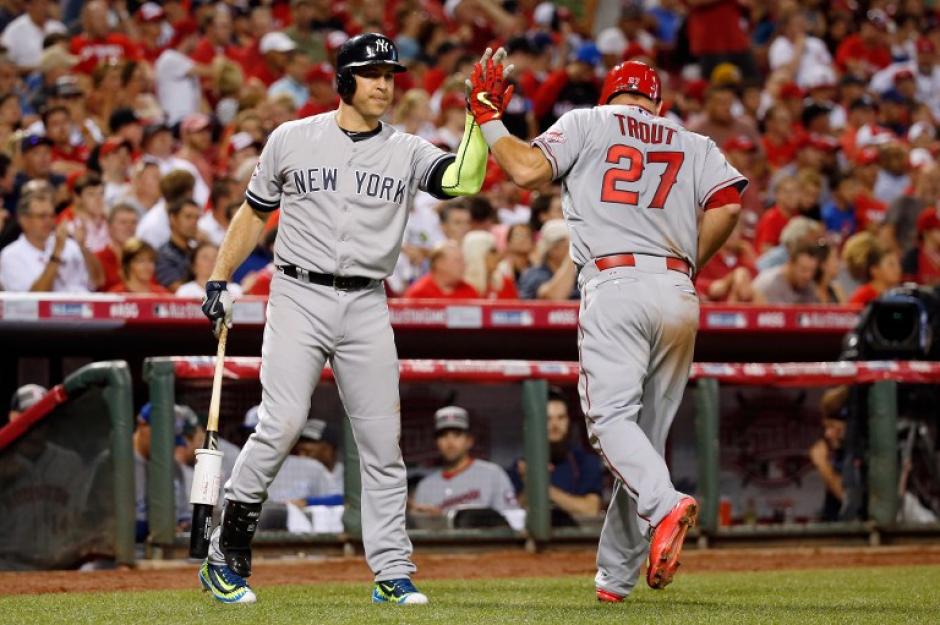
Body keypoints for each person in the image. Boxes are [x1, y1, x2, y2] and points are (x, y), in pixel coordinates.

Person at [198, 34, 492, 606]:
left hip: (366, 302)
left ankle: (392, 572)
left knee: (383, 443)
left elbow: (463, 181)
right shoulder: (292, 137)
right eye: (372, 72)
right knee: (281, 423)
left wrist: (478, 124)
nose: (385, 83)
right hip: (298, 293)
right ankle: (225, 548)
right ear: (343, 80)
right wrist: (219, 276)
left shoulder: (406, 148)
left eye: (390, 73)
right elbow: (254, 212)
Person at [469, 58, 746, 600]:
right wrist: (690, 263)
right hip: (678, 290)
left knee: (609, 423)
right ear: (657, 105)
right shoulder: (693, 141)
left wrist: (487, 120)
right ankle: (616, 578)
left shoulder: (589, 121)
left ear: (610, 95)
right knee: (644, 441)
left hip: (615, 282)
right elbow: (729, 206)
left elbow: (526, 172)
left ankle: (666, 506)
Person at [508, 389, 603, 523]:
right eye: (547, 419)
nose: (555, 425)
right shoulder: (522, 466)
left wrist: (541, 486)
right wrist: (528, 484)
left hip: (575, 540)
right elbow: (514, 515)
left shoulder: (586, 461)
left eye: (561, 417)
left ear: (568, 421)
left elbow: (590, 509)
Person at [411, 406, 519, 520]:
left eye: (457, 435)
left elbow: (512, 520)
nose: (450, 442)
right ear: (436, 442)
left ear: (469, 440)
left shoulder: (493, 475)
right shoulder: (425, 486)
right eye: (443, 435)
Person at [0, 190, 97, 293]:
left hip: (84, 305)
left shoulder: (69, 244)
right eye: (42, 216)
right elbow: (34, 298)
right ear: (24, 220)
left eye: (51, 216)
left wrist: (83, 247)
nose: (48, 221)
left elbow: (97, 282)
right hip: (43, 308)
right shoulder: (11, 255)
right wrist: (57, 253)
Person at [808, 386, 848, 522]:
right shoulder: (841, 453)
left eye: (832, 427)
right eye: (826, 427)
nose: (827, 434)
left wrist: (822, 464)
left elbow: (848, 498)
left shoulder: (862, 452)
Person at [518, 218, 578, 300]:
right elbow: (555, 297)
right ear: (552, 249)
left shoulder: (580, 275)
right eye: (567, 245)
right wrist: (573, 255)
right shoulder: (533, 274)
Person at [753, 240, 823, 305]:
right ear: (790, 265)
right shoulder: (771, 283)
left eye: (812, 270)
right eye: (803, 270)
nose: (808, 276)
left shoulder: (808, 284)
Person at [402, 240, 479, 299]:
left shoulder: (470, 292)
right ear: (439, 263)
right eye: (457, 260)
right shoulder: (418, 294)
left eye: (463, 260)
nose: (464, 265)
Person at [842, 231, 902, 306]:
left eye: (898, 263)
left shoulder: (899, 293)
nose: (898, 269)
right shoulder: (861, 298)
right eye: (891, 264)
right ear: (874, 270)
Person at [155, 197, 200, 292]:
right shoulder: (162, 255)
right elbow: (179, 291)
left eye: (196, 218)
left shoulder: (197, 251)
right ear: (173, 219)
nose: (194, 222)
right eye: (188, 217)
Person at [291, 418, 343, 496]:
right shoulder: (295, 474)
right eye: (298, 452)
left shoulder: (346, 475)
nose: (301, 457)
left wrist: (307, 502)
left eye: (307, 452)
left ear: (329, 449)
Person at [95, 203, 140, 291]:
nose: (129, 227)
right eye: (123, 222)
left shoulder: (144, 258)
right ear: (109, 227)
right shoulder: (98, 258)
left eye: (133, 222)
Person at [462, 230, 517, 299]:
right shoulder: (461, 288)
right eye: (493, 251)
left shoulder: (506, 284)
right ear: (477, 255)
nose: (498, 256)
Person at [176, 243, 243, 298]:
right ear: (194, 266)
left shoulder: (234, 290)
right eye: (205, 257)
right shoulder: (184, 292)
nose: (211, 261)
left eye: (215, 257)